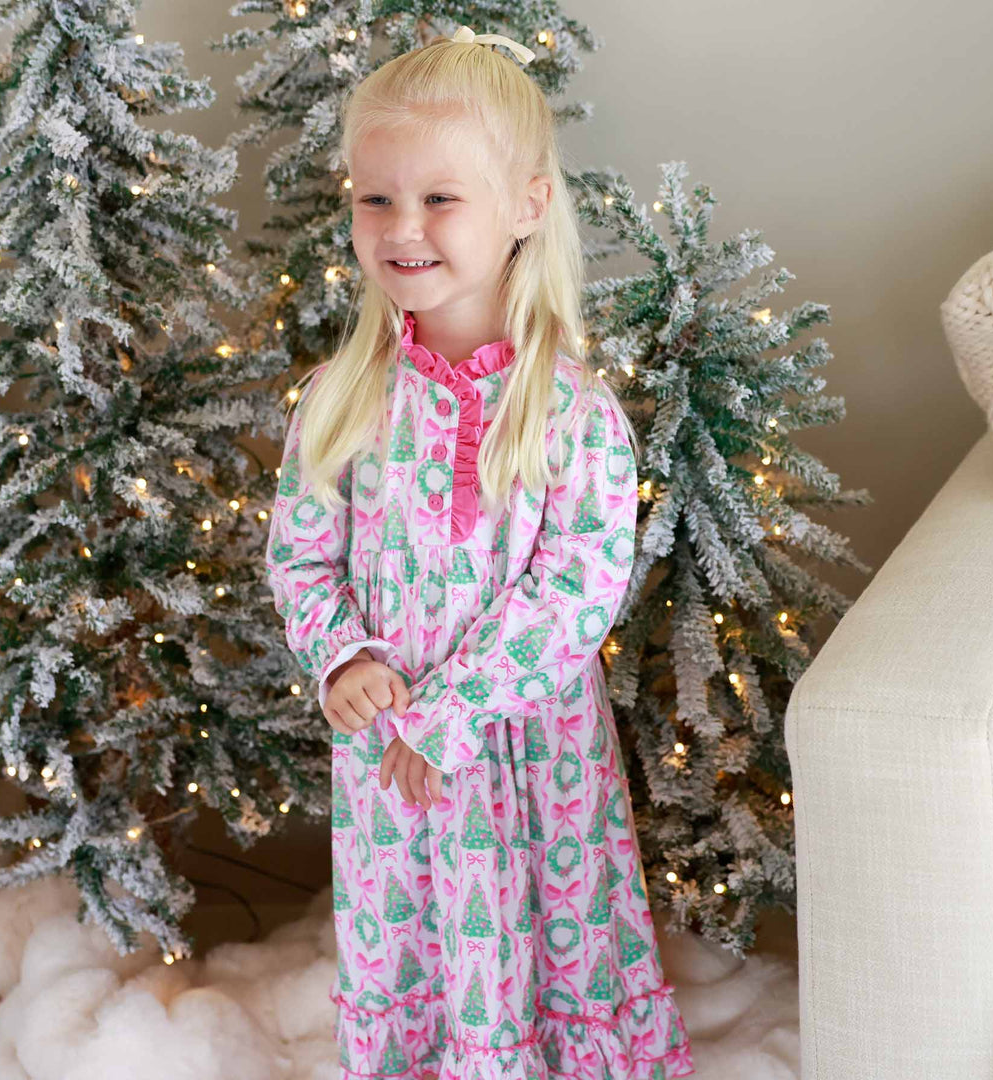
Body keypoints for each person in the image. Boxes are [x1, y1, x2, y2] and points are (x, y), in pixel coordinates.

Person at [265, 23, 695, 1080]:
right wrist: (345, 663)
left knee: (539, 940)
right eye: (376, 198)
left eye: (440, 198)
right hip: (392, 776)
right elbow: (299, 556)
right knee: (420, 944)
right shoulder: (342, 401)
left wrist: (453, 711)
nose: (401, 227)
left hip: (528, 758)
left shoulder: (573, 413)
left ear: (527, 206)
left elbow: (576, 592)